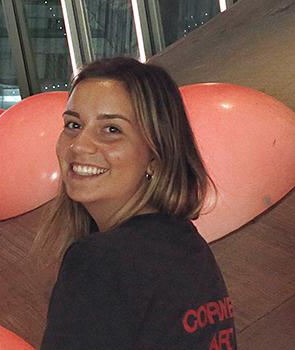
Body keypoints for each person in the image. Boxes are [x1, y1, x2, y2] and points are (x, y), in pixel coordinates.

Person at [39, 57, 234, 349]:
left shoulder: (99, 262)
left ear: (155, 156)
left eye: (111, 130)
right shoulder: (187, 244)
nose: (79, 145)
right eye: (73, 124)